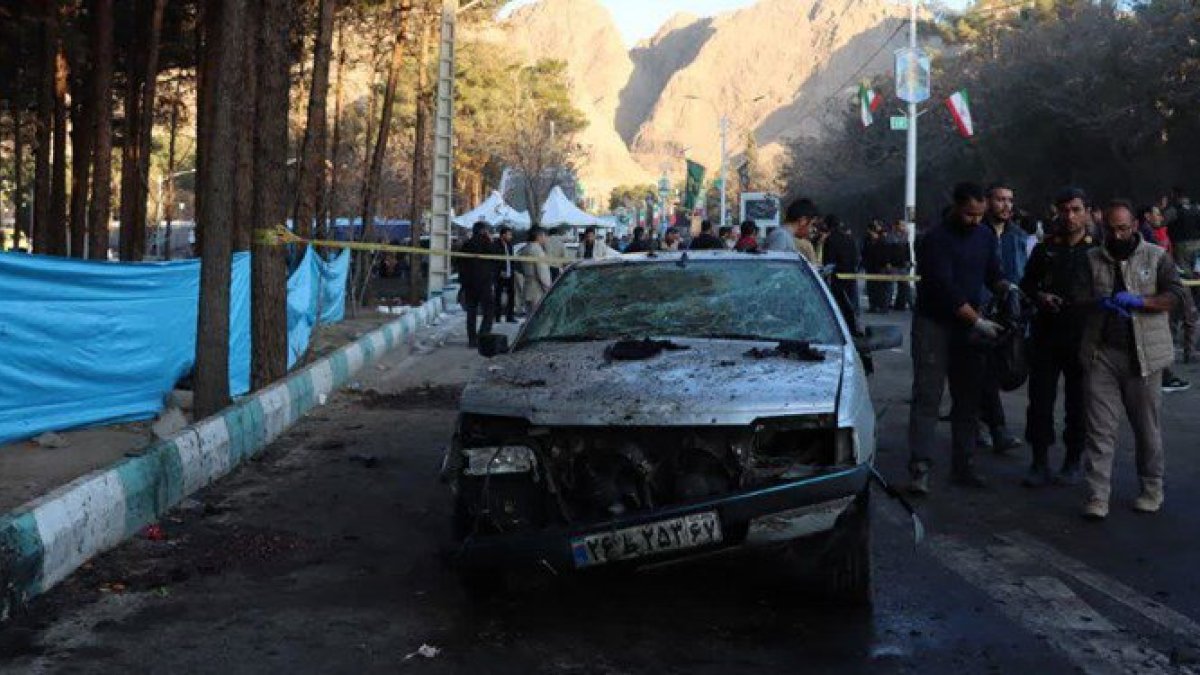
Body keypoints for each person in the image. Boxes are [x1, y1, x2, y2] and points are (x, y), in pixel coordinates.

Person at [1078, 199, 1185, 520]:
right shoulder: (1091, 259)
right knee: (1099, 429)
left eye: (1123, 228)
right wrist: (1099, 303)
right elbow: (1078, 297)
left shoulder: (1156, 256)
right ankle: (1097, 495)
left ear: (1135, 227)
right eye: (1111, 229)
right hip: (1103, 352)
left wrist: (1143, 301)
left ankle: (1151, 487)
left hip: (1145, 355)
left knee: (1146, 427)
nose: (1117, 234)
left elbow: (1177, 296)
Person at [907, 182, 1016, 494]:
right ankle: (920, 467)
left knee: (967, 397)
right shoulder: (935, 240)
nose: (975, 220)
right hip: (934, 323)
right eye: (969, 214)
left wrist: (1006, 288)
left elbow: (992, 272)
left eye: (980, 215)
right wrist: (978, 321)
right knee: (928, 395)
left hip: (968, 327)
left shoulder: (984, 235)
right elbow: (943, 287)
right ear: (955, 207)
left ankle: (964, 464)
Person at [1019, 188, 1096, 487]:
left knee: (1078, 403)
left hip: (1082, 335)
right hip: (1046, 335)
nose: (1070, 216)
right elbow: (1026, 283)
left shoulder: (1097, 250)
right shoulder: (1046, 248)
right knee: (1040, 401)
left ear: (1087, 211)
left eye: (1076, 209)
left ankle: (1073, 459)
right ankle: (1039, 461)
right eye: (1065, 210)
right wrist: (1040, 296)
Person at [975, 183, 1028, 454]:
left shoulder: (1017, 236)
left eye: (1010, 200)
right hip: (977, 312)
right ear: (987, 201)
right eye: (1000, 200)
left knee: (998, 371)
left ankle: (983, 422)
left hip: (1008, 312)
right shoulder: (976, 232)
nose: (1006, 205)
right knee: (980, 370)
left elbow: (1020, 272)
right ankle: (995, 427)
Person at [460, 221, 499, 348]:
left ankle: (472, 339)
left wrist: (464, 282)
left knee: (471, 312)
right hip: (484, 284)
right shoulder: (487, 243)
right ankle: (483, 335)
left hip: (470, 284)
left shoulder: (466, 244)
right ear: (484, 231)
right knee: (489, 311)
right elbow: (495, 257)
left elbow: (460, 264)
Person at [822, 214, 861, 334]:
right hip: (851, 275)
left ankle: (840, 330)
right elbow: (856, 257)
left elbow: (828, 261)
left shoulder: (830, 240)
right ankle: (854, 328)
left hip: (837, 276)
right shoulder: (849, 238)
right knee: (851, 303)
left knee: (838, 304)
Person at [766, 198, 819, 263]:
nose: (812, 229)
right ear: (803, 221)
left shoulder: (784, 235)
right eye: (812, 224)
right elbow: (772, 266)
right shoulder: (781, 236)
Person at [1166, 187, 1200, 271]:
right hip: (1197, 244)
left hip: (1181, 245)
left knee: (1184, 272)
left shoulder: (1174, 210)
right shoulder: (1197, 207)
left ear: (1174, 195)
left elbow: (1160, 223)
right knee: (1196, 271)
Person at [521, 226, 554, 314]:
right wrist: (549, 289)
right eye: (545, 236)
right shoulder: (538, 251)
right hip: (537, 290)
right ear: (539, 236)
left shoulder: (525, 249)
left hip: (527, 288)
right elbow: (543, 274)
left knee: (529, 318)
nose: (546, 238)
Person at [862, 220, 891, 312]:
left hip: (880, 267)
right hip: (871, 267)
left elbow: (885, 253)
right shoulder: (867, 240)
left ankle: (882, 306)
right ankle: (873, 306)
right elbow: (865, 252)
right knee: (872, 288)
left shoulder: (882, 240)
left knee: (881, 288)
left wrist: (886, 264)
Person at [886, 220, 914, 310]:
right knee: (890, 285)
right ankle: (887, 303)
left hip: (903, 265)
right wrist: (888, 262)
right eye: (901, 225)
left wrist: (909, 261)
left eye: (903, 226)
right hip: (893, 265)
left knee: (905, 286)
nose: (903, 227)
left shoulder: (905, 237)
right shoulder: (890, 237)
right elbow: (888, 251)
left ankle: (901, 304)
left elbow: (907, 250)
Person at [493, 226, 517, 323]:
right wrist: (499, 271)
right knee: (498, 296)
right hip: (499, 275)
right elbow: (494, 261)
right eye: (509, 234)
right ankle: (497, 316)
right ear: (503, 235)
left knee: (511, 295)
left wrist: (512, 271)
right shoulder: (495, 245)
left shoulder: (510, 245)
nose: (510, 236)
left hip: (509, 274)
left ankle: (510, 316)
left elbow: (511, 260)